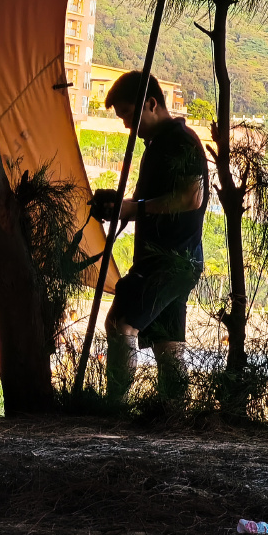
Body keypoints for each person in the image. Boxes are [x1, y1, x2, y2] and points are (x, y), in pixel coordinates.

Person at [90, 72, 209, 404]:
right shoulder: (158, 145)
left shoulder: (182, 142)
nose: (127, 125)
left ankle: (115, 405)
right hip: (173, 259)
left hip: (171, 259)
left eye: (129, 114)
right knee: (166, 341)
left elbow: (191, 197)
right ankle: (176, 412)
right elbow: (148, 203)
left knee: (121, 324)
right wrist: (122, 207)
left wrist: (133, 208)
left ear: (151, 104)